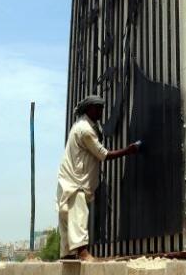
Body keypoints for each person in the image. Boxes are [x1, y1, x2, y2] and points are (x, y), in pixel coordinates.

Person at [57, 94, 139, 262]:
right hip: (76, 181)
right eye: (98, 108)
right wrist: (128, 150)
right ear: (89, 109)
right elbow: (103, 154)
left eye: (102, 108)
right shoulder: (85, 130)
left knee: (67, 215)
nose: (101, 111)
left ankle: (67, 253)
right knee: (78, 215)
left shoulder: (85, 125)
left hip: (69, 179)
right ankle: (82, 252)